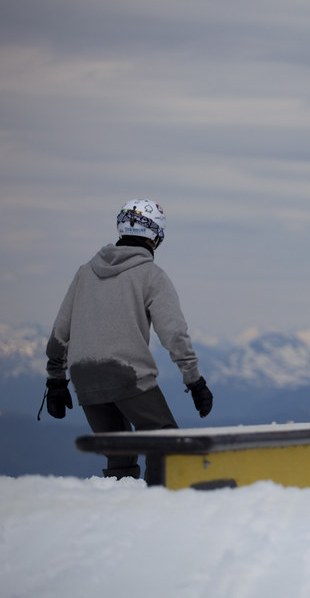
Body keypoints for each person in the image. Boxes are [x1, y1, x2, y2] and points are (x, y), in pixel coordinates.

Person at [42, 199, 213, 482]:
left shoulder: (85, 271)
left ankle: (121, 510)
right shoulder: (151, 275)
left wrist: (56, 381)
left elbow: (61, 331)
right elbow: (174, 333)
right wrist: (194, 381)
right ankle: (160, 506)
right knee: (164, 442)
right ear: (155, 237)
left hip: (84, 375)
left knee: (119, 454)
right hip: (127, 374)